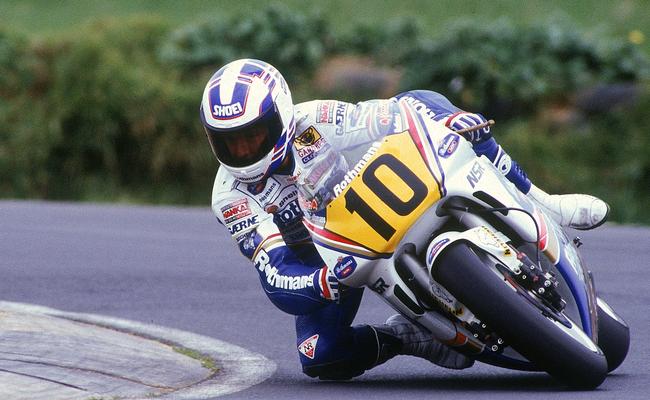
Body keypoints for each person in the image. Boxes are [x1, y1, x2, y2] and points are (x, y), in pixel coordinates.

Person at [200, 58, 609, 380]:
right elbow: (274, 272)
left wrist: (446, 122)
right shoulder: (229, 195)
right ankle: (408, 336)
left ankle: (542, 202)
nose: (244, 149)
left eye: (254, 134)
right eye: (229, 141)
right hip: (333, 256)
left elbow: (395, 114)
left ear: (282, 114)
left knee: (423, 99)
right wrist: (322, 280)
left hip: (391, 190)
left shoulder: (316, 120)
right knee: (321, 356)